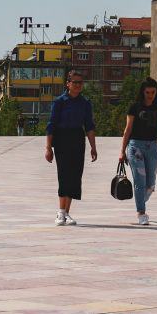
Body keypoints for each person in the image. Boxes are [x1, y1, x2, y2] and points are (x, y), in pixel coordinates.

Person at [119, 77, 157, 225]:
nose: (150, 95)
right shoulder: (134, 107)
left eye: (153, 92)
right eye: (147, 92)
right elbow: (128, 129)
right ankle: (141, 213)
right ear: (143, 92)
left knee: (150, 184)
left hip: (152, 147)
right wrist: (122, 151)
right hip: (135, 146)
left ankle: (140, 200)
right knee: (140, 181)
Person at [44, 70, 97, 226]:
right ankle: (60, 212)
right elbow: (51, 125)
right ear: (68, 84)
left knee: (75, 177)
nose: (78, 85)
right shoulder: (59, 102)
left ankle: (67, 213)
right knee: (64, 175)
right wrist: (48, 147)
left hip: (77, 139)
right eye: (75, 82)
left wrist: (93, 147)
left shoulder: (85, 103)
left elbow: (89, 126)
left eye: (80, 82)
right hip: (62, 139)